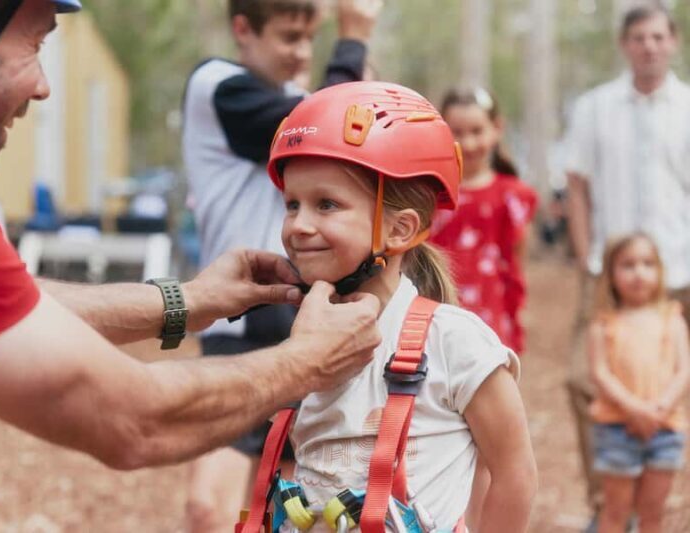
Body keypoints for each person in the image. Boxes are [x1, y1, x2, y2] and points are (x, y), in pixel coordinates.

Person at [0, 0, 383, 475]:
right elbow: (138, 420)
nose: (42, 88)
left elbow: (10, 304)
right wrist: (309, 361)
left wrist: (186, 300)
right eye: (34, 46)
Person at [247, 81, 537, 532]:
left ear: (400, 230)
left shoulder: (453, 342)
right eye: (291, 204)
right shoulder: (305, 339)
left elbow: (514, 470)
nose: (299, 225)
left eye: (326, 204)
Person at [181, 0, 382, 529]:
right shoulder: (218, 86)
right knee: (211, 502)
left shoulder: (297, 101)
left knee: (299, 498)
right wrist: (354, 36)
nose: (301, 54)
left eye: (309, 40)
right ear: (243, 29)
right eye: (289, 37)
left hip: (310, 310)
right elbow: (331, 123)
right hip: (243, 314)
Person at [563, 6, 690, 525]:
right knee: (581, 379)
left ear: (674, 41)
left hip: (680, 271)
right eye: (638, 38)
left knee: (677, 382)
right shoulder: (596, 108)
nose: (649, 47)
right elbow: (576, 184)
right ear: (624, 44)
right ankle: (609, 502)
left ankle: (657, 499)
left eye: (658, 37)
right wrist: (586, 255)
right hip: (609, 274)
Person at [588, 233, 689, 533]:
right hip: (618, 429)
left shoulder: (672, 318)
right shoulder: (603, 323)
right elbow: (600, 373)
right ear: (611, 273)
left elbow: (683, 371)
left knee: (653, 515)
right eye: (628, 265)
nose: (639, 273)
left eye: (647, 264)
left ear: (659, 271)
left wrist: (658, 409)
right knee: (615, 514)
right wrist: (635, 410)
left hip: (665, 430)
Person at [431, 87, 538, 355]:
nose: (467, 144)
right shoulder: (429, 194)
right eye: (457, 132)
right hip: (437, 308)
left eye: (477, 131)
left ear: (496, 129)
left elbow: (515, 261)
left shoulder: (512, 195)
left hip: (492, 311)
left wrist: (516, 312)